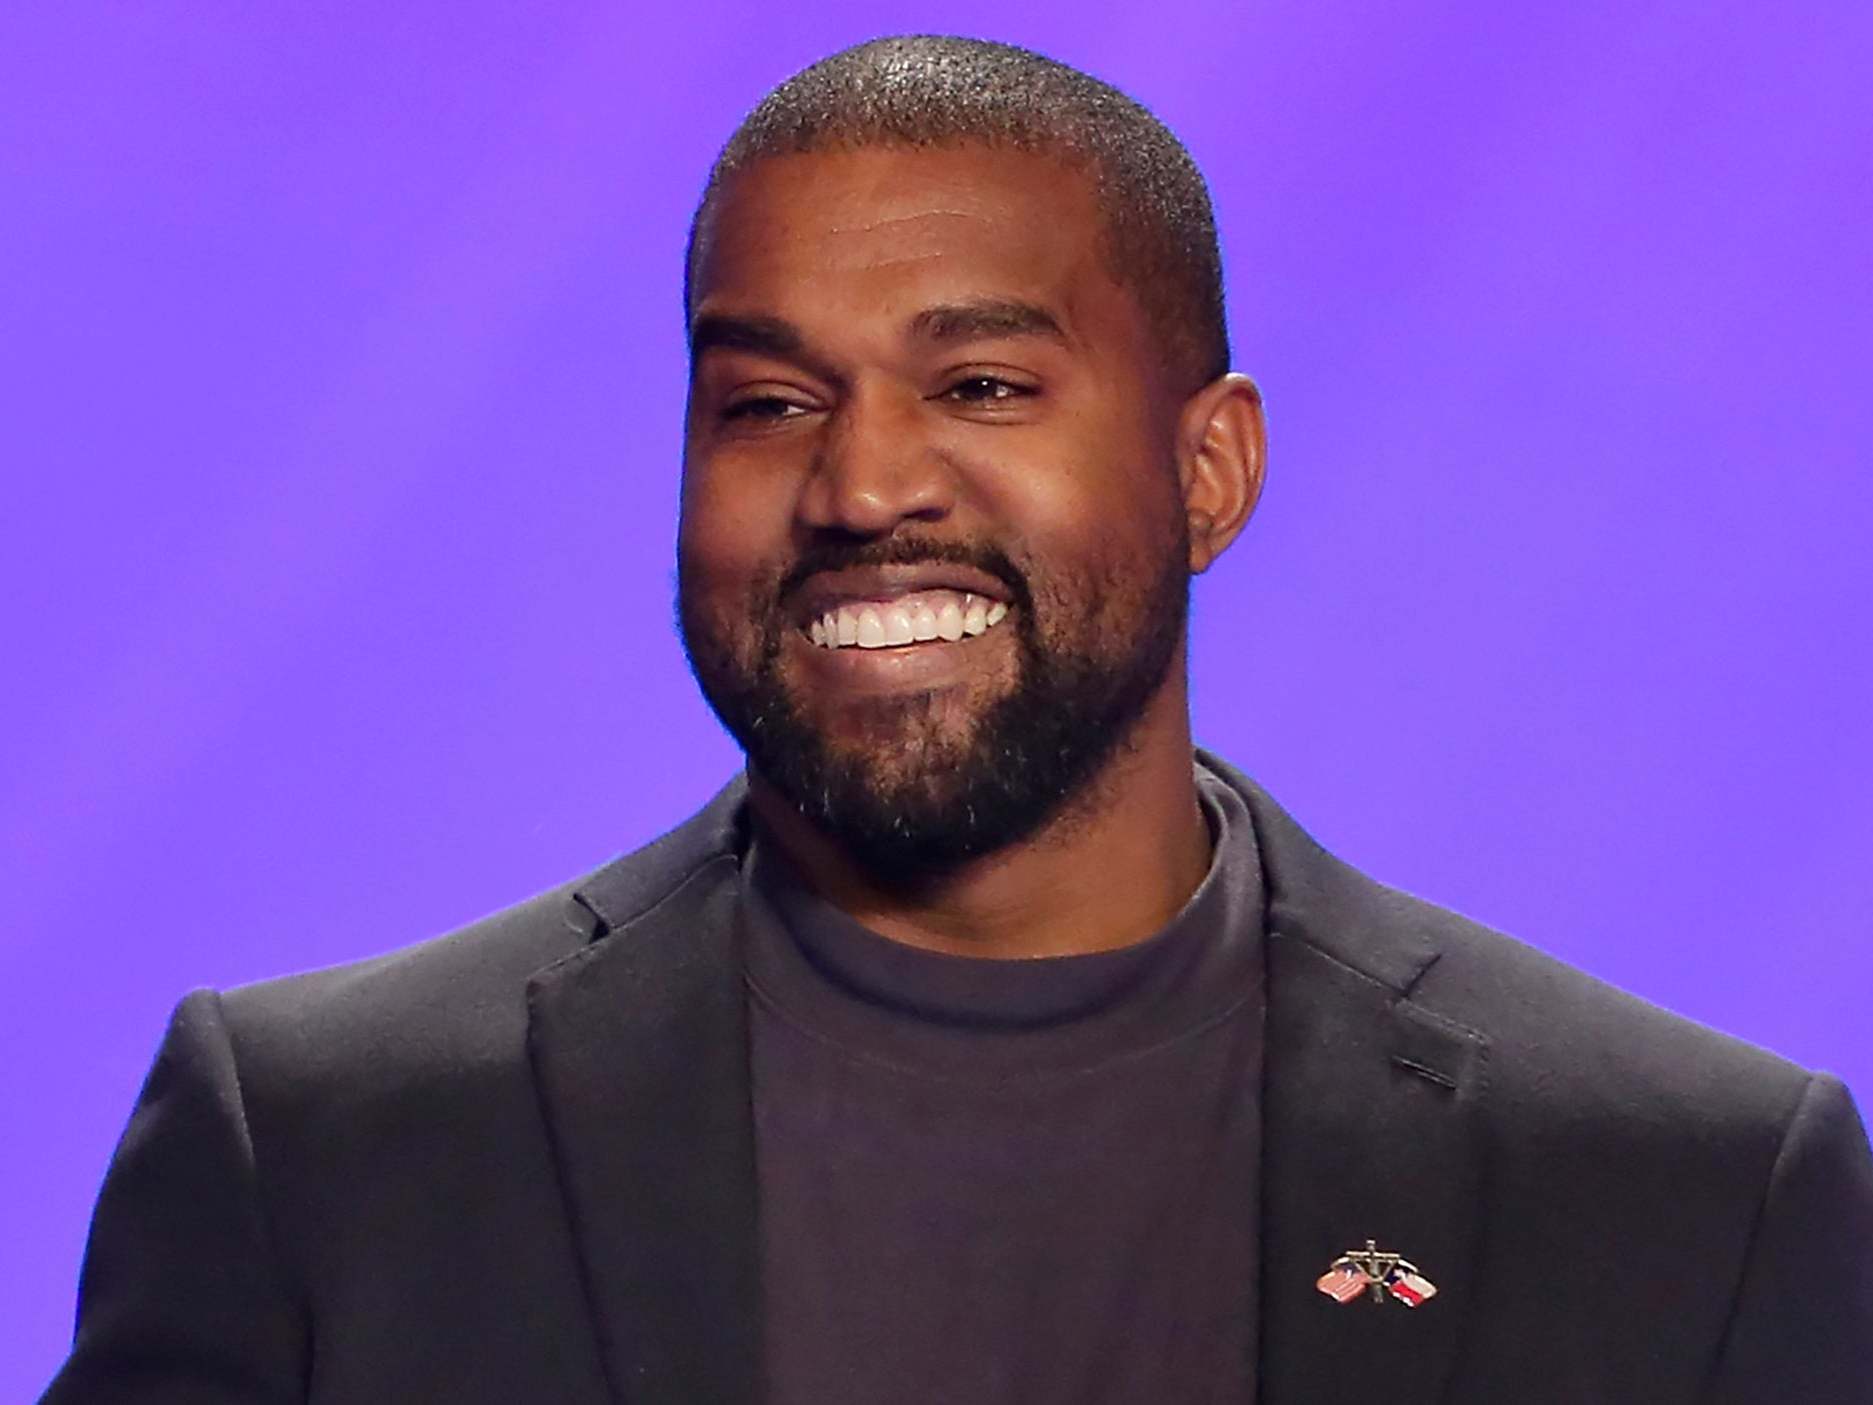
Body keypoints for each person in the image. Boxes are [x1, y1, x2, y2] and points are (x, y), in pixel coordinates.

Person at [42, 35, 1873, 1405]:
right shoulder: (318, 1154)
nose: (860, 484)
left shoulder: (1691, 1196)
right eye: (765, 403)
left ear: (1208, 469)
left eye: (979, 382)